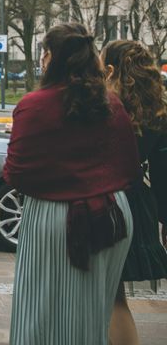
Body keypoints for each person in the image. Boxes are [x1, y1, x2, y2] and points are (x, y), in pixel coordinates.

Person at [4, 24, 138, 345]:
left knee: (40, 310)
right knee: (95, 310)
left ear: (49, 57)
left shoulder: (34, 106)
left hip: (54, 218)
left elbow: (16, 172)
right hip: (110, 216)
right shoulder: (111, 104)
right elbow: (129, 165)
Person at [101, 40, 167, 345]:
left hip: (102, 203)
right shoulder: (157, 113)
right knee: (113, 297)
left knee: (109, 297)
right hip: (137, 206)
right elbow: (164, 172)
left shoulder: (104, 109)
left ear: (112, 69)